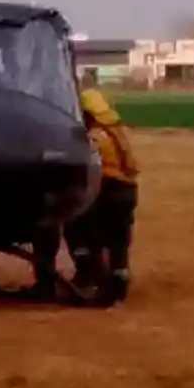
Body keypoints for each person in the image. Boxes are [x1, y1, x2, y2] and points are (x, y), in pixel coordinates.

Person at [63, 85, 140, 304]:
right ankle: (119, 281)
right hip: (126, 190)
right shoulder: (117, 133)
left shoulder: (90, 137)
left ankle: (88, 277)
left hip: (103, 188)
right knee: (118, 240)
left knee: (78, 225)